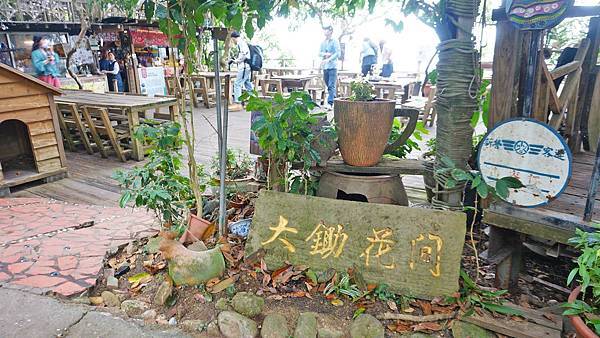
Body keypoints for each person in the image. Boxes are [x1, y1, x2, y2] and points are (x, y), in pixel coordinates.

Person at [319, 26, 341, 108]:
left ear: (331, 31)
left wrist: (329, 59)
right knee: (328, 84)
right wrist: (325, 54)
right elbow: (319, 53)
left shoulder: (335, 41)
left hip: (333, 66)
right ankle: (334, 98)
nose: (325, 31)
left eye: (326, 30)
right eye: (324, 30)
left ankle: (330, 103)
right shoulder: (323, 42)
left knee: (331, 85)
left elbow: (338, 53)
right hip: (325, 67)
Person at [231, 31, 253, 106]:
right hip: (247, 67)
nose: (232, 41)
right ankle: (254, 100)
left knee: (237, 84)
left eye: (232, 39)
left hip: (244, 67)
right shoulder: (243, 43)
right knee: (247, 84)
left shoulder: (241, 43)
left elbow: (244, 55)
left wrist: (236, 61)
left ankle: (238, 103)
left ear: (234, 38)